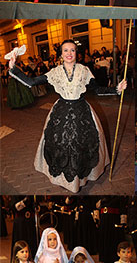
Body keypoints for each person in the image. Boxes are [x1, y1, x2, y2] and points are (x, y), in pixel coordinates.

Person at [8, 40, 127, 192]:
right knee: (60, 143)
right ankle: (64, 180)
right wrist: (14, 68)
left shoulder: (84, 70)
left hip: (82, 112)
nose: (69, 54)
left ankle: (80, 178)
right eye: (66, 50)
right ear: (61, 54)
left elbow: (96, 90)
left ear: (76, 53)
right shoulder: (55, 72)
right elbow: (31, 82)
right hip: (61, 111)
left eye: (72, 50)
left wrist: (117, 89)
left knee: (81, 144)